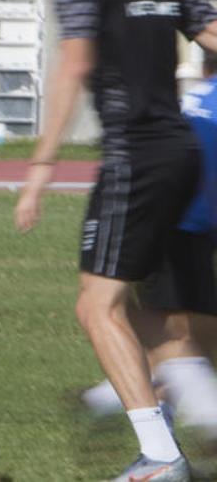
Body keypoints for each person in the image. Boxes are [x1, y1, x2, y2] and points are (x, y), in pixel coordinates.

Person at [15, 0, 217, 478]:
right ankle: (180, 423)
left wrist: (40, 165)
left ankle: (160, 456)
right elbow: (213, 32)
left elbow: (76, 64)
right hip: (181, 152)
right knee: (144, 312)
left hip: (137, 155)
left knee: (95, 306)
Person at [80, 51, 217, 442]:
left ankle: (117, 398)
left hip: (166, 219)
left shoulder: (193, 103)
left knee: (183, 330)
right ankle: (129, 404)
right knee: (183, 334)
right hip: (186, 224)